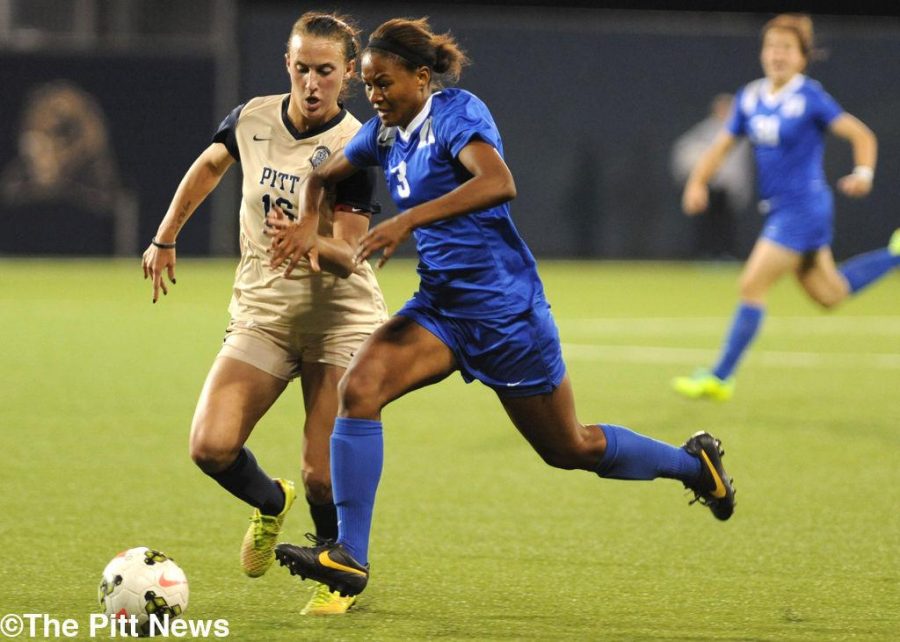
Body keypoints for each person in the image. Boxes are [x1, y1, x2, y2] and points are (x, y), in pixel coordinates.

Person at [267, 17, 736, 599]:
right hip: (441, 310)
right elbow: (324, 173)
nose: (377, 97)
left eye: (385, 83)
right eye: (369, 86)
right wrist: (309, 228)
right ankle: (349, 557)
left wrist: (406, 221)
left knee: (569, 447)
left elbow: (498, 182)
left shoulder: (456, 114)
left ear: (420, 76)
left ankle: (696, 466)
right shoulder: (384, 136)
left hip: (505, 314)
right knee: (359, 390)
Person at [140, 12, 387, 615]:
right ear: (288, 65)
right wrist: (166, 236)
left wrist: (311, 242)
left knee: (321, 474)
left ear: (347, 74)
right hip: (265, 315)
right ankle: (270, 503)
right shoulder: (251, 117)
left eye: (325, 71)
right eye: (301, 68)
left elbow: (351, 252)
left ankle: (338, 571)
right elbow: (208, 166)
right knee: (210, 447)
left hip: (340, 320)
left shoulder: (357, 144)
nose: (311, 83)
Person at [672, 13, 900, 401]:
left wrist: (863, 173)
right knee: (831, 294)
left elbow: (861, 134)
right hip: (779, 210)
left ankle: (720, 377)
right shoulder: (750, 97)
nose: (777, 54)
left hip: (805, 208)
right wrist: (696, 182)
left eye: (786, 48)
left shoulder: (810, 97)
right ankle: (895, 255)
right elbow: (722, 146)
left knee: (751, 284)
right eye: (771, 47)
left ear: (802, 57)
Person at [670, 93, 753, 259]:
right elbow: (684, 150)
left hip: (727, 189)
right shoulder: (705, 130)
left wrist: (741, 187)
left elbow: (742, 166)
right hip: (710, 186)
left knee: (726, 225)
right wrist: (693, 179)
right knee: (706, 224)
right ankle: (705, 255)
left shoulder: (740, 132)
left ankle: (725, 255)